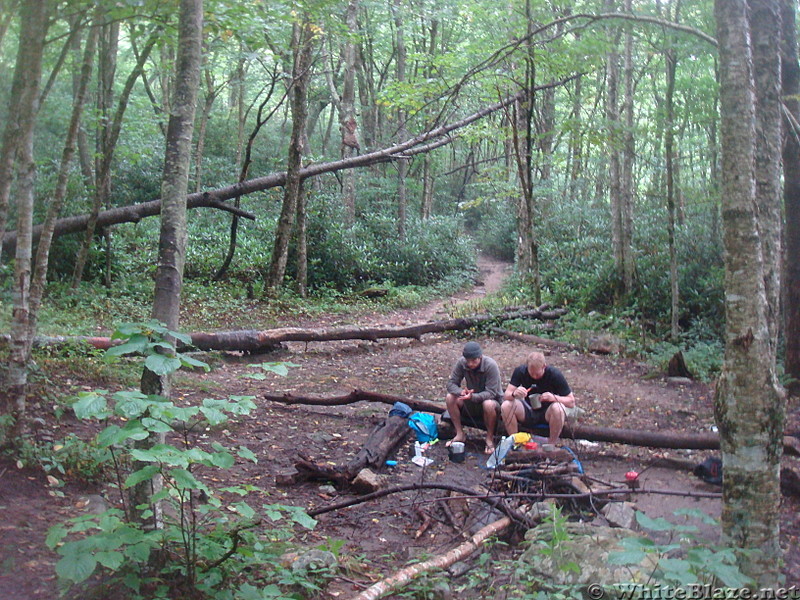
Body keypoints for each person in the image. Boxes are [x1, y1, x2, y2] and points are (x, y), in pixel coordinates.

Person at [501, 351, 575, 444]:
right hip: (527, 410)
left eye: (537, 374)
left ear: (544, 366)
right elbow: (506, 396)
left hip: (547, 413)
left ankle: (551, 445)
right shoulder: (520, 371)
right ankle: (516, 442)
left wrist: (554, 397)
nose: (534, 377)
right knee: (506, 405)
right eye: (532, 374)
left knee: (559, 408)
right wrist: (514, 394)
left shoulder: (554, 374)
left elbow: (571, 402)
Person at [444, 341, 503, 454]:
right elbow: (451, 384)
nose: (470, 364)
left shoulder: (491, 365)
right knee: (450, 397)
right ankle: (459, 433)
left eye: (474, 361)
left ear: (480, 357)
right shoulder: (462, 363)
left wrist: (473, 397)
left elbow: (491, 392)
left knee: (488, 404)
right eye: (468, 361)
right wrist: (461, 392)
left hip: (491, 404)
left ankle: (489, 438)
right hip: (471, 402)